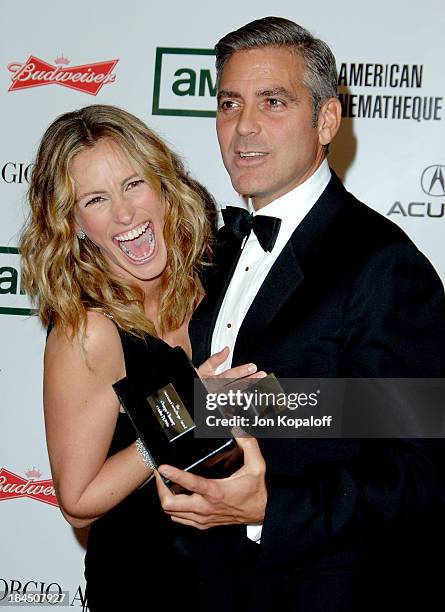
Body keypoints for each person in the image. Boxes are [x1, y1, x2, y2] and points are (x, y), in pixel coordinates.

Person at [155, 17, 445, 612]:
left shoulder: (382, 265)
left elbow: (421, 472)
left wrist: (269, 508)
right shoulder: (212, 252)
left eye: (273, 101)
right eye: (229, 104)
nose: (244, 128)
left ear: (327, 121)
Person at [19, 104, 260, 611]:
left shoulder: (212, 281)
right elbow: (78, 501)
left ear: (162, 183)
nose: (124, 214)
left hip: (232, 577)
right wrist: (186, 409)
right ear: (74, 223)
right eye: (96, 199)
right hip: (142, 584)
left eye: (133, 184)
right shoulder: (90, 331)